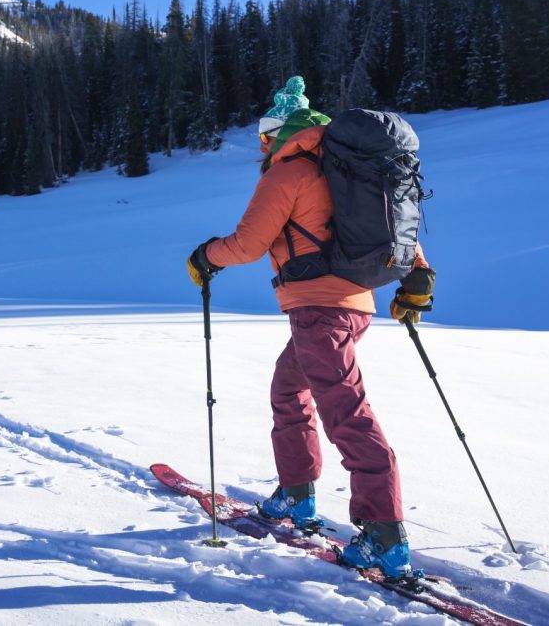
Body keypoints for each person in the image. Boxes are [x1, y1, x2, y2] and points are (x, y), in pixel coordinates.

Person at [185, 75, 434, 580]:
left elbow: (250, 243)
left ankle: (384, 533)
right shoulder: (347, 166)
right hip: (352, 304)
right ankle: (296, 494)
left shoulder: (290, 171)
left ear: (278, 132)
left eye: (263, 137)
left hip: (319, 310)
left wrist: (205, 256)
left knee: (347, 413)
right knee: (289, 387)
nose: (261, 147)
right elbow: (396, 228)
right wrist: (416, 279)